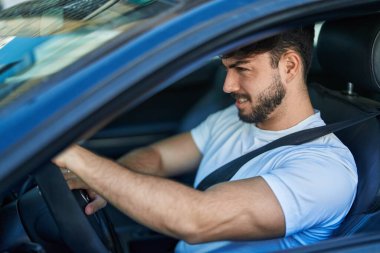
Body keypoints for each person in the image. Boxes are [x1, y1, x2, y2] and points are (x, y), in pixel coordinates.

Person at [53, 26, 358, 252]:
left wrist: (72, 154)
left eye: (242, 69)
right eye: (226, 68)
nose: (227, 86)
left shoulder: (324, 169)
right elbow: (157, 158)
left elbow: (197, 220)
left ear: (289, 66)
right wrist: (103, 186)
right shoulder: (234, 119)